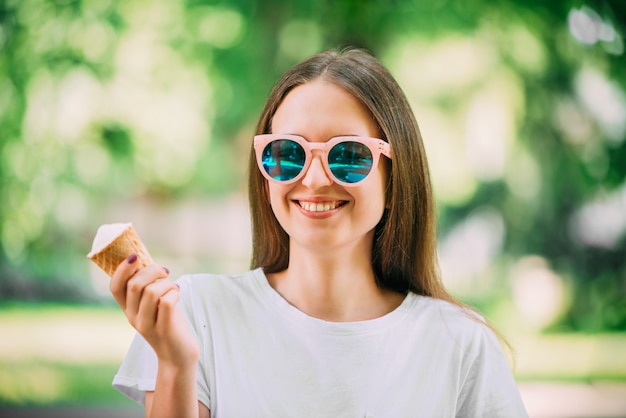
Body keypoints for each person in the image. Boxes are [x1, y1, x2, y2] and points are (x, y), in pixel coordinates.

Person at [110, 48, 529, 417]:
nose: (312, 179)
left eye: (347, 155)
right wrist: (175, 364)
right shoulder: (195, 316)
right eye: (288, 154)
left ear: (394, 179)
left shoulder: (461, 345)